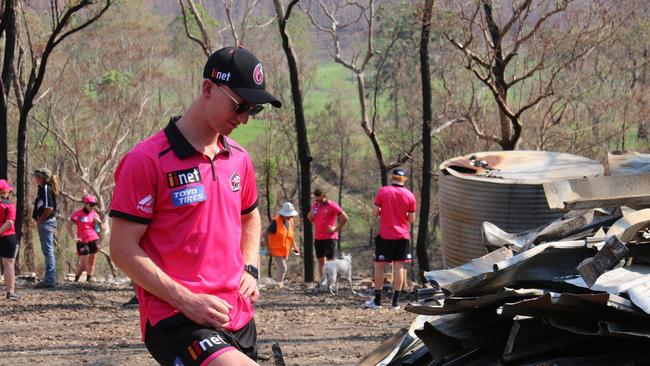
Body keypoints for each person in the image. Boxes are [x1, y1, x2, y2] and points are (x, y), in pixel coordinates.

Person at [109, 46, 280, 366]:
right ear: (207, 88)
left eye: (253, 110)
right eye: (240, 105)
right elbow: (121, 248)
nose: (244, 119)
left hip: (237, 316)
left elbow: (251, 216)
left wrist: (251, 267)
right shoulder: (146, 160)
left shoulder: (240, 159)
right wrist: (186, 300)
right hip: (176, 317)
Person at [364, 168, 416, 310]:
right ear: (404, 179)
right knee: (398, 267)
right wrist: (400, 215)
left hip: (386, 235)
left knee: (379, 266)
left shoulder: (383, 191)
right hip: (402, 235)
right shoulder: (410, 195)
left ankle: (377, 301)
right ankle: (395, 303)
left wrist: (385, 212)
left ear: (391, 178)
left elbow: (375, 212)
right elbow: (411, 219)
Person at [307, 189, 348, 282]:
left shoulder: (332, 205)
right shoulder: (315, 205)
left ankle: (332, 282)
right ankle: (323, 281)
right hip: (318, 237)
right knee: (320, 260)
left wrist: (335, 229)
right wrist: (312, 219)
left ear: (325, 197)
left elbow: (345, 218)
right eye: (317, 200)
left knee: (330, 261)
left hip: (330, 238)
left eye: (321, 200)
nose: (319, 202)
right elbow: (310, 216)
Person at [67, 195, 104, 283]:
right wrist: (73, 237)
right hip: (82, 241)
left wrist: (100, 223)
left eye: (94, 205)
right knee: (83, 264)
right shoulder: (78, 213)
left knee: (91, 261)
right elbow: (69, 225)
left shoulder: (95, 214)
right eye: (90, 205)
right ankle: (76, 280)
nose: (92, 207)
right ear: (85, 204)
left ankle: (89, 280)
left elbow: (101, 229)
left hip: (94, 239)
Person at [32, 167, 59, 289]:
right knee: (47, 250)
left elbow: (49, 208)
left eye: (36, 175)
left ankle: (49, 280)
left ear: (41, 177)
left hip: (47, 223)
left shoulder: (46, 189)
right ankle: (49, 278)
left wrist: (40, 221)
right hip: (46, 222)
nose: (35, 178)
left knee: (48, 251)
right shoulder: (42, 189)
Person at [265, 202, 300, 284]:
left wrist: (295, 248)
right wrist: (268, 249)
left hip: (285, 250)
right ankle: (279, 285)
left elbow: (290, 236)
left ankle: (278, 284)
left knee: (281, 268)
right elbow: (266, 234)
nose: (290, 217)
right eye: (288, 215)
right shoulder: (275, 222)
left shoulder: (291, 221)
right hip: (276, 249)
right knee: (283, 268)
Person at [0, 180, 19, 300]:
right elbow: (9, 222)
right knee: (8, 264)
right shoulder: (9, 205)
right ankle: (10, 292)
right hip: (7, 237)